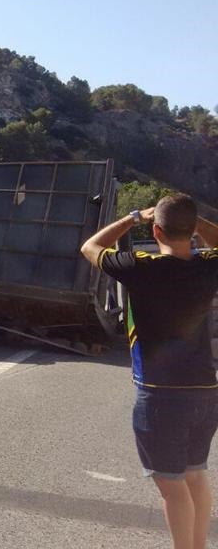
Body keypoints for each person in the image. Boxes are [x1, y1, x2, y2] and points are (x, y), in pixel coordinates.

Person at [81, 193, 218, 549]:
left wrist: (131, 218)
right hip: (205, 390)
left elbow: (91, 247)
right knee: (194, 475)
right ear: (191, 232)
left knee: (173, 487)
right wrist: (194, 220)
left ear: (156, 230)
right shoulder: (208, 264)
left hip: (160, 394)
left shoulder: (140, 267)